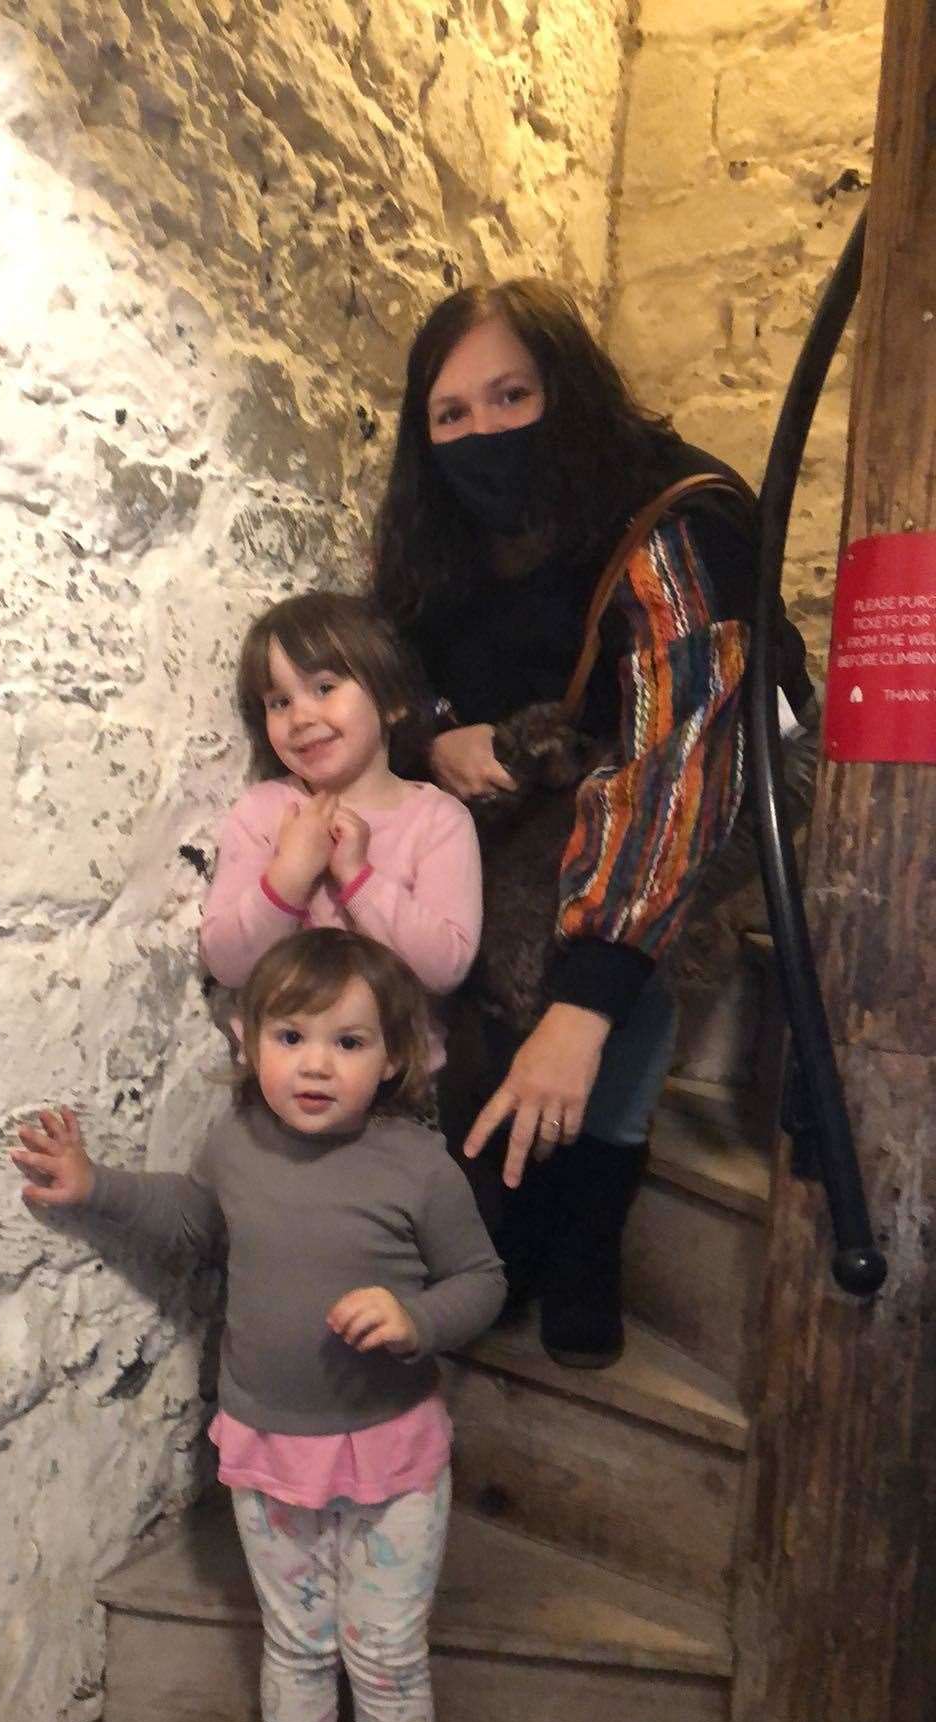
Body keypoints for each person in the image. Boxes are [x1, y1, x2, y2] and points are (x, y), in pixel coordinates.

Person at [11, 927, 505, 1722]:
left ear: (394, 1058)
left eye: (348, 1042)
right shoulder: (235, 1146)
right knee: (300, 1643)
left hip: (393, 1456)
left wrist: (416, 1319)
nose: (315, 1063)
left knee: (387, 1651)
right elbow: (194, 1222)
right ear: (249, 1043)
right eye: (291, 1036)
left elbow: (482, 1281)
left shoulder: (417, 1166)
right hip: (270, 1448)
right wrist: (93, 1187)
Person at [372, 277, 816, 1368]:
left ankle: (583, 1235)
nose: (482, 431)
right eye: (453, 413)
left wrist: (586, 1003)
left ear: (564, 389)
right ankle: (504, 1211)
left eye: (511, 395)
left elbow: (679, 764)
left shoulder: (673, 513)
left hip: (729, 755)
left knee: (578, 946)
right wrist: (436, 736)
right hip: (561, 754)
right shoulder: (445, 534)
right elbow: (400, 662)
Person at [200, 590, 482, 1069]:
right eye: (279, 701)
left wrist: (357, 879)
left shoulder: (439, 820)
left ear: (392, 700)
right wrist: (289, 875)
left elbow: (445, 966)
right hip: (276, 1089)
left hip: (397, 1092)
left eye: (325, 687)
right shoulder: (266, 810)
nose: (301, 717)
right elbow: (227, 962)